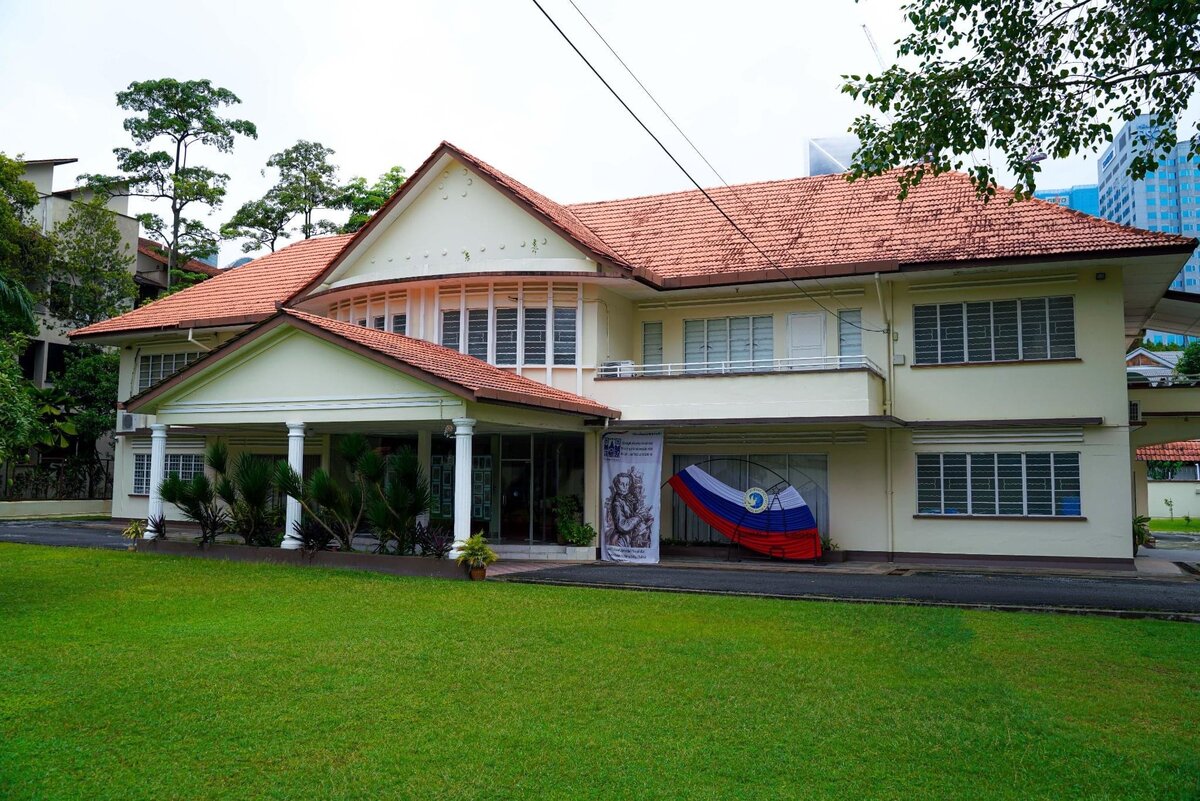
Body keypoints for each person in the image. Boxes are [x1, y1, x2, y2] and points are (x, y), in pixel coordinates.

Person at [607, 470, 652, 548]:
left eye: (627, 484)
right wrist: (639, 516)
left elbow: (629, 516)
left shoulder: (625, 499)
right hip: (621, 540)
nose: (625, 487)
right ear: (616, 485)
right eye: (622, 484)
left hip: (629, 538)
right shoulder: (617, 503)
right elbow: (623, 526)